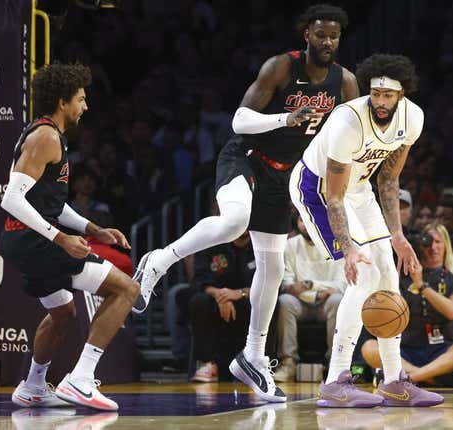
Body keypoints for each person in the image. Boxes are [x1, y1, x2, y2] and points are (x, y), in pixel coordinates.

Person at [132, 4, 359, 402]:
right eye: (321, 35)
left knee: (271, 269)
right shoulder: (281, 68)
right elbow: (239, 120)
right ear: (306, 35)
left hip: (284, 175)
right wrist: (284, 120)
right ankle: (159, 260)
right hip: (246, 156)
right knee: (234, 221)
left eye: (334, 36)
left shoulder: (345, 84)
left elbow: (347, 138)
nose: (327, 42)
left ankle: (253, 358)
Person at [290, 53, 443, 407]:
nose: (381, 101)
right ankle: (336, 381)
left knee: (388, 273)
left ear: (402, 95)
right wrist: (348, 248)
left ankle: (394, 382)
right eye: (375, 93)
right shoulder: (348, 121)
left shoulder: (413, 119)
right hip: (317, 191)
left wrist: (398, 237)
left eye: (388, 95)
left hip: (359, 190)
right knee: (363, 274)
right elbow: (335, 196)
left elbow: (388, 179)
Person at [0, 64, 139, 411]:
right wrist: (61, 239)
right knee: (127, 288)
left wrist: (94, 230)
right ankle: (80, 379)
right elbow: (11, 199)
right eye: (81, 99)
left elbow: (53, 205)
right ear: (62, 102)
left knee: (63, 313)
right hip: (35, 241)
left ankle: (32, 386)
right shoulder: (45, 137)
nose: (85, 106)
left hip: (25, 240)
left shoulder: (47, 135)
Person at [361, 224, 453, 387]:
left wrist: (421, 285)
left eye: (438, 242)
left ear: (446, 246)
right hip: (406, 350)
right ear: (418, 247)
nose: (433, 247)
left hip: (442, 350)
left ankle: (408, 378)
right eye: (428, 243)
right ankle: (433, 377)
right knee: (369, 347)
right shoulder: (401, 276)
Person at [273, 212, 345, 382]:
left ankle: (334, 363)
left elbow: (341, 284)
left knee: (338, 300)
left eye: (311, 219)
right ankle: (288, 362)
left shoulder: (335, 245)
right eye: (302, 219)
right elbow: (288, 284)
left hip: (326, 303)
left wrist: (308, 285)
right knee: (284, 301)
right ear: (297, 223)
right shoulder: (289, 245)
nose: (306, 223)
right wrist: (317, 292)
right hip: (300, 304)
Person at [188, 230, 254, 382]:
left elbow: (271, 284)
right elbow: (199, 281)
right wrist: (221, 295)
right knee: (198, 301)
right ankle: (207, 364)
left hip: (248, 298)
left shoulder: (262, 244)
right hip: (216, 298)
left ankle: (255, 365)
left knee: (270, 303)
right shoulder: (212, 241)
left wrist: (240, 293)